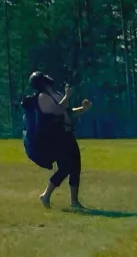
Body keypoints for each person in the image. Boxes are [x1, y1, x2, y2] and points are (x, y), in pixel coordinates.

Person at [23, 71, 90, 209]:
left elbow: (68, 111)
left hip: (67, 134)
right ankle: (45, 195)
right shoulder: (42, 97)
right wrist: (67, 96)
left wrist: (83, 109)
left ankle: (74, 202)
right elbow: (58, 110)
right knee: (66, 167)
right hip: (55, 138)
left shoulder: (56, 94)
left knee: (75, 166)